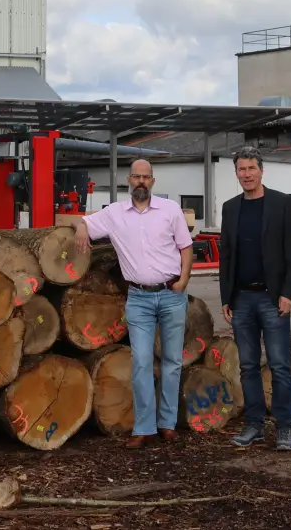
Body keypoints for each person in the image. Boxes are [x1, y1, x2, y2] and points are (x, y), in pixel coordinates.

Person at [70, 158, 194, 449]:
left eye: (146, 177)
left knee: (173, 362)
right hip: (138, 299)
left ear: (153, 181)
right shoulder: (114, 213)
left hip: (171, 294)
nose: (141, 181)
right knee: (140, 362)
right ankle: (144, 427)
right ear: (129, 180)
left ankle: (167, 424)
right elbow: (82, 220)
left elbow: (186, 248)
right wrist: (80, 228)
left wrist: (184, 279)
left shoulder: (170, 210)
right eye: (136, 177)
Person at [218, 145, 291, 451]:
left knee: (279, 365)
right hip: (241, 300)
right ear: (236, 173)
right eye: (241, 169)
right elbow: (226, 255)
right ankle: (254, 425)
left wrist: (288, 294)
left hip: (272, 299)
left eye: (251, 168)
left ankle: (285, 428)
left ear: (261, 170)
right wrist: (226, 296)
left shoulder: (280, 204)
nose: (246, 174)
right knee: (248, 366)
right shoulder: (231, 208)